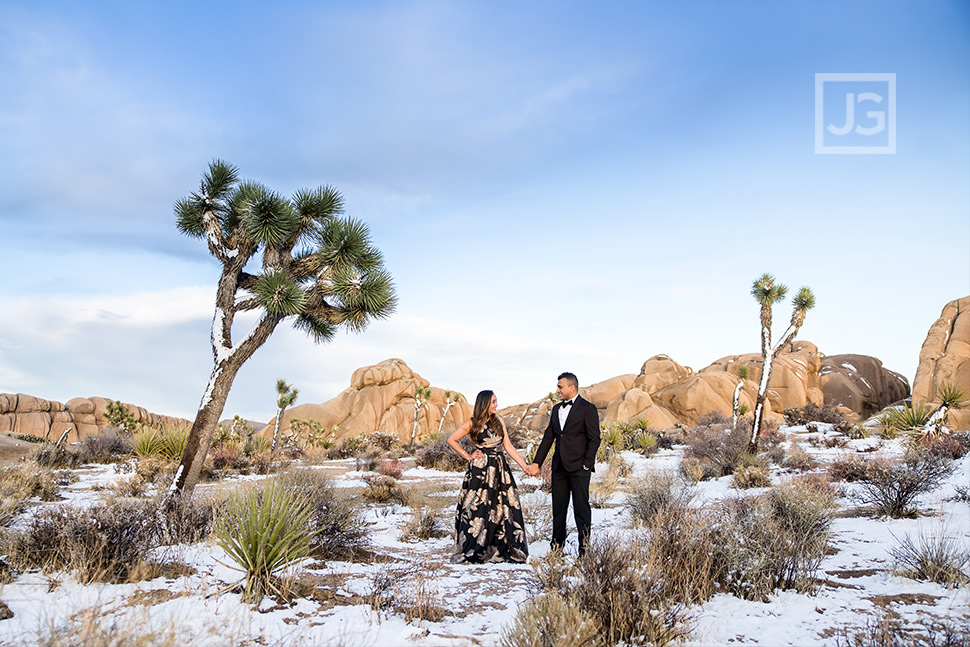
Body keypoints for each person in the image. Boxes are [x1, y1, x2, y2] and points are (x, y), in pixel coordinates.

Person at [448, 390, 531, 563]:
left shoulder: (499, 421)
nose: (496, 405)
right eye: (493, 401)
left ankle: (501, 548)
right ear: (484, 403)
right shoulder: (472, 423)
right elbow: (452, 440)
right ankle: (475, 547)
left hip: (500, 468)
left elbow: (508, 446)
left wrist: (524, 466)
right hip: (480, 469)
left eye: (496, 401)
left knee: (503, 506)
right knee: (476, 507)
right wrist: (468, 456)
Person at [527, 372, 600, 556]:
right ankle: (556, 549)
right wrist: (537, 463)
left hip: (579, 468)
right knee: (558, 510)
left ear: (571, 387)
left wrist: (586, 464)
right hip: (559, 467)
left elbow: (594, 439)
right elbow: (548, 437)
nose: (557, 390)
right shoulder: (557, 409)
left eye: (560, 386)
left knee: (581, 510)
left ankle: (584, 551)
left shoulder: (587, 408)